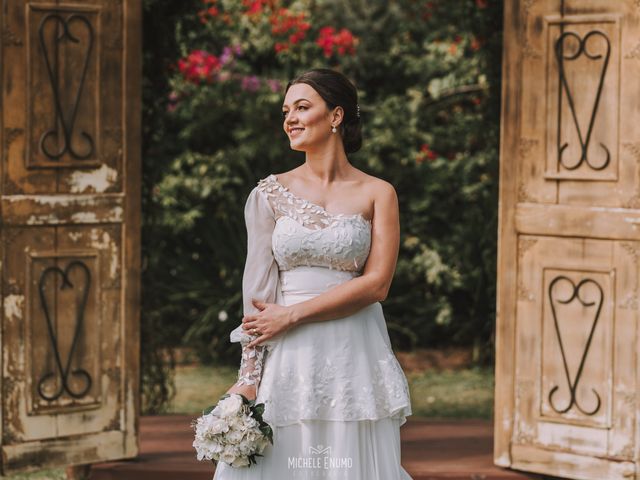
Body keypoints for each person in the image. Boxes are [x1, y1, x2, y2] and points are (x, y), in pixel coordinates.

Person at [213, 68, 413, 479]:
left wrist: (293, 315)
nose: (290, 118)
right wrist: (248, 378)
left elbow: (377, 285)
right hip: (288, 355)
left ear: (336, 116)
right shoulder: (268, 194)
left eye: (303, 107)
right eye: (286, 110)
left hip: (353, 349)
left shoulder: (379, 193)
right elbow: (257, 292)